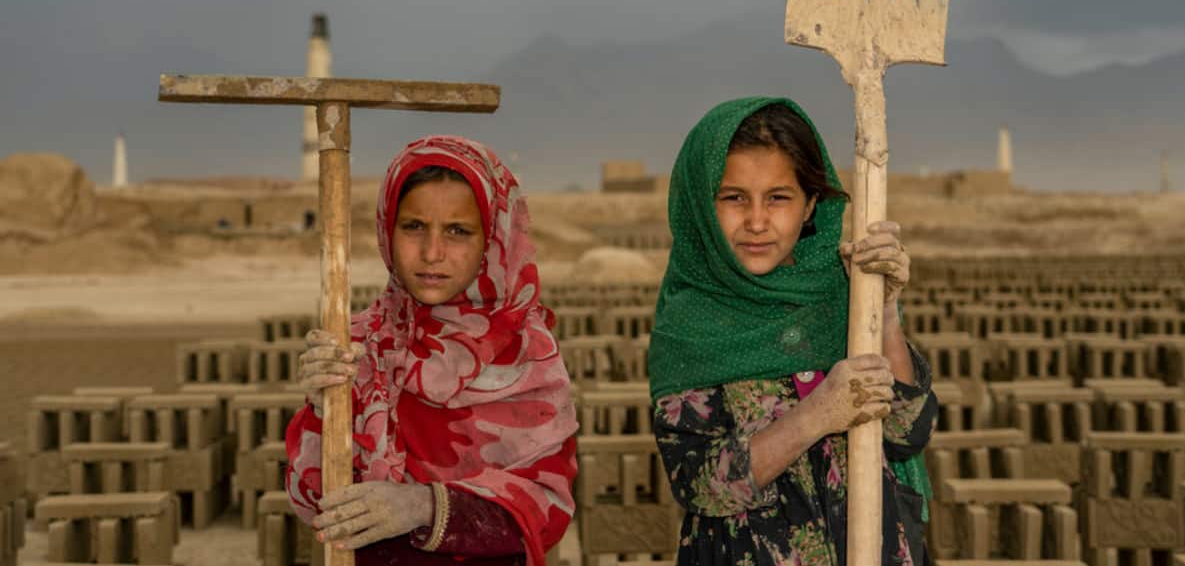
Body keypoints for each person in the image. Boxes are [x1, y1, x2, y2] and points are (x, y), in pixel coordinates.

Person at [648, 97, 936, 566]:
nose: (757, 221)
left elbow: (907, 431)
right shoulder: (692, 324)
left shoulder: (841, 295)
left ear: (810, 205)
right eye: (734, 197)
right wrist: (818, 414)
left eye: (778, 197)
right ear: (702, 205)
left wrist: (883, 311)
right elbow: (699, 484)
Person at [285, 135, 578, 566]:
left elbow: (547, 508)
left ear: (493, 239)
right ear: (388, 228)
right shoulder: (357, 348)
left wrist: (425, 506)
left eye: (458, 231)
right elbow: (313, 502)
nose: (432, 253)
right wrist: (323, 408)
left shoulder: (524, 355)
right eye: (414, 227)